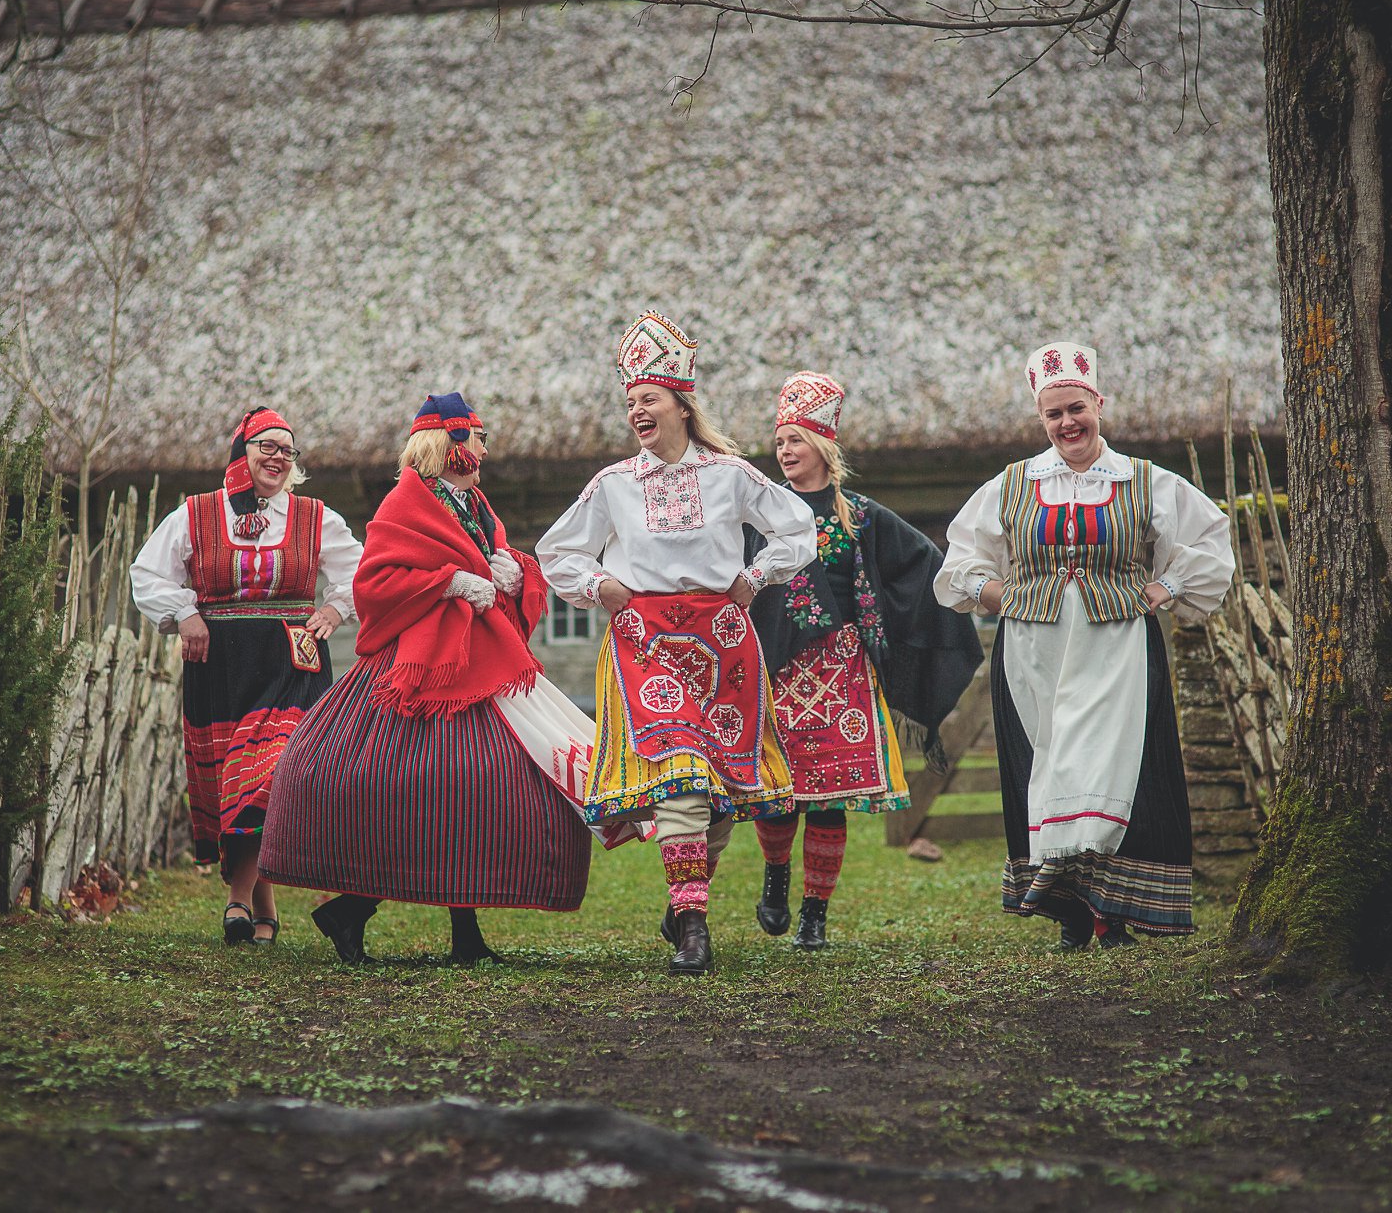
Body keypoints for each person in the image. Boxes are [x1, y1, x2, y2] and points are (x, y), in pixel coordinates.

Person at [261, 393, 626, 966]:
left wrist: (514, 570)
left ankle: (431, 928)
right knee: (421, 791)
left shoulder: (476, 504)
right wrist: (449, 583)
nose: (484, 449)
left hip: (478, 667)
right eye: (476, 437)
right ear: (447, 443)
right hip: (417, 670)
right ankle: (357, 910)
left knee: (473, 793)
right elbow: (376, 582)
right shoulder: (404, 502)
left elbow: (494, 557)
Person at [537, 312, 816, 975]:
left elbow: (798, 527)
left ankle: (684, 897)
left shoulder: (729, 474)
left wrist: (754, 577)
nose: (637, 410)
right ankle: (694, 926)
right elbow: (557, 550)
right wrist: (600, 583)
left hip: (722, 644)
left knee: (719, 792)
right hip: (647, 644)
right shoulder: (612, 485)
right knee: (682, 778)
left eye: (649, 399)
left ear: (681, 405)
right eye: (630, 402)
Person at [933, 343, 1233, 948]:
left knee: (1118, 769)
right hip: (1033, 649)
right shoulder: (1013, 485)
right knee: (1048, 765)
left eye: (1076, 408)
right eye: (1054, 415)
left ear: (1098, 403)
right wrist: (996, 593)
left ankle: (1113, 908)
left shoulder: (1146, 481)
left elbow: (1210, 543)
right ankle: (1071, 909)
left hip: (1118, 646)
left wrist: (1165, 587)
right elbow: (961, 557)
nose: (1067, 423)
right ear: (1041, 420)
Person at [747, 372, 985, 950]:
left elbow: (924, 562)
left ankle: (814, 914)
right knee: (776, 792)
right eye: (779, 442)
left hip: (840, 672)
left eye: (795, 441)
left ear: (823, 447)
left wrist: (965, 593)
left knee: (831, 796)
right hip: (774, 672)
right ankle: (776, 880)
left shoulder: (861, 515)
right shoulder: (760, 512)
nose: (785, 452)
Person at [131, 407, 362, 946]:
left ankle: (237, 900)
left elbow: (362, 571)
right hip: (221, 668)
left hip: (292, 661)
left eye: (288, 450)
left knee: (272, 772)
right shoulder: (196, 515)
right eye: (268, 446)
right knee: (235, 784)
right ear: (243, 452)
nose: (279, 457)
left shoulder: (314, 517)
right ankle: (265, 906)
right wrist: (185, 614)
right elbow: (148, 573)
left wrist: (334, 610)